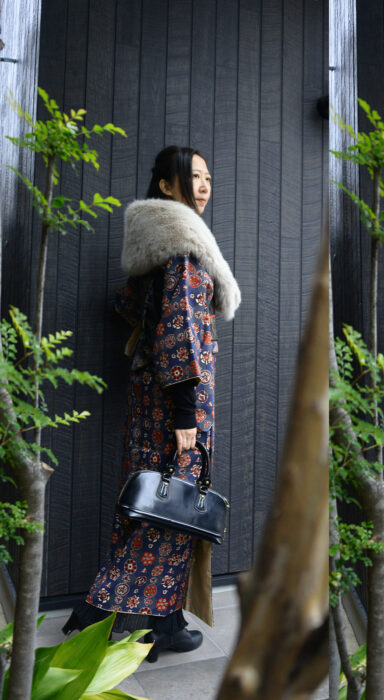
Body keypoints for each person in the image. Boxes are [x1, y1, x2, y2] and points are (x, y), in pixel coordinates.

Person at [63, 145, 241, 662]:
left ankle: (166, 621)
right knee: (166, 505)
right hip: (178, 399)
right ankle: (99, 613)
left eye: (208, 177)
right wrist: (186, 412)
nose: (203, 186)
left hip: (151, 392)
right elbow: (179, 331)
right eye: (193, 176)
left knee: (159, 500)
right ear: (166, 185)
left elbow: (128, 304)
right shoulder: (184, 249)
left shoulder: (155, 245)